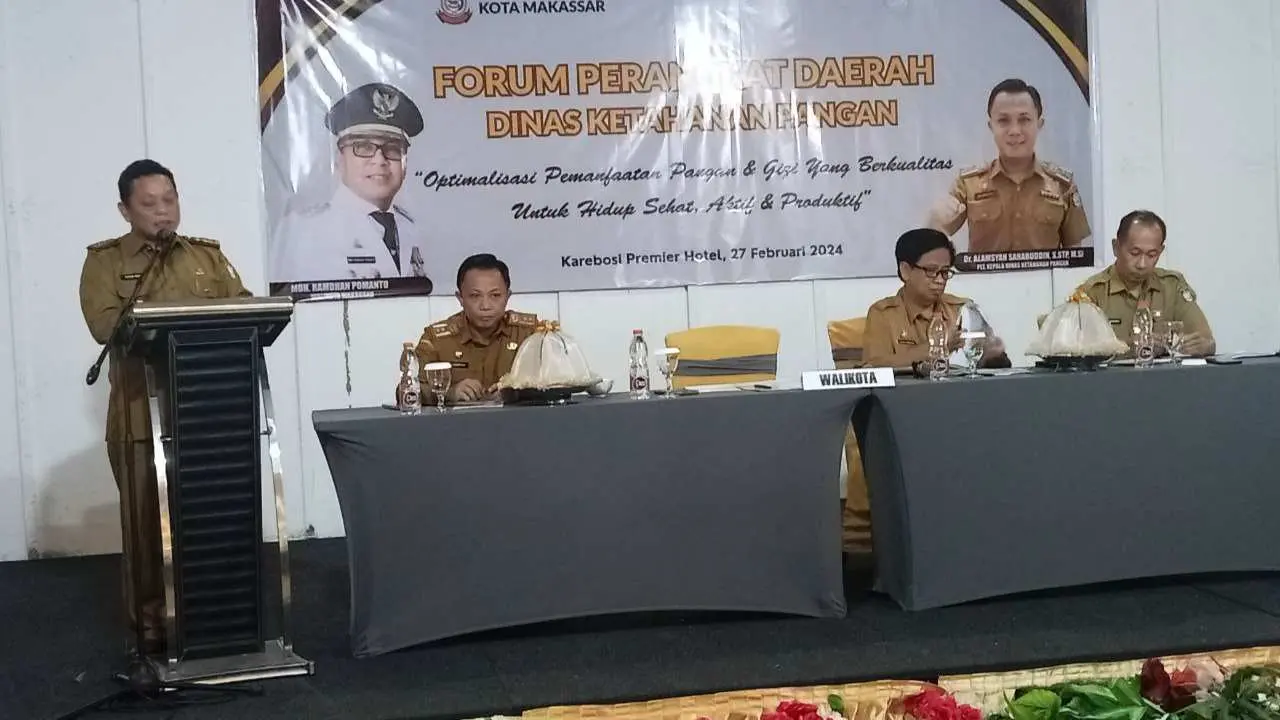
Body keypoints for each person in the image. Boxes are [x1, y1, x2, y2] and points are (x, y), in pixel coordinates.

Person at [78, 159, 252, 655]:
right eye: (149, 203)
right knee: (146, 532)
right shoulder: (105, 262)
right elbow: (104, 325)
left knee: (211, 519)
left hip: (207, 413)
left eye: (170, 200)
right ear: (125, 210)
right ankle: (151, 631)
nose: (163, 211)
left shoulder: (206, 257)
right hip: (140, 416)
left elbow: (243, 308)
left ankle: (212, 620)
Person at [271, 82, 431, 287]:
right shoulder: (303, 230)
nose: (379, 160)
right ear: (340, 158)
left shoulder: (411, 227)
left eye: (393, 149)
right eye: (363, 147)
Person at [929, 78, 1091, 254]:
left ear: (1039, 124)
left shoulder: (1063, 185)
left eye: (1024, 119)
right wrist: (935, 223)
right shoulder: (968, 184)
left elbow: (1075, 255)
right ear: (991, 126)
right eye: (1003, 120)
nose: (1014, 131)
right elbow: (932, 242)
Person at [862, 228, 1010, 370]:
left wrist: (994, 355)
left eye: (945, 272)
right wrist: (937, 347)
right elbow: (874, 366)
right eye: (931, 271)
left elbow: (994, 368)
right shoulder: (883, 314)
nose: (940, 280)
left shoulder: (962, 310)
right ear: (905, 270)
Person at [1075, 210, 1215, 356]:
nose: (1142, 264)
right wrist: (1128, 348)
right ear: (1116, 247)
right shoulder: (1092, 293)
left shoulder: (1172, 286)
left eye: (1151, 255)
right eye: (1135, 253)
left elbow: (1205, 340)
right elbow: (1078, 351)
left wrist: (1204, 346)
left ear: (1161, 251)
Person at [413, 254, 540, 402]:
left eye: (495, 295)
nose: (485, 306)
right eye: (475, 296)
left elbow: (558, 383)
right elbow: (407, 391)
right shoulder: (437, 340)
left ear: (507, 296)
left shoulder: (530, 333)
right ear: (460, 298)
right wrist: (448, 393)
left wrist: (516, 393)